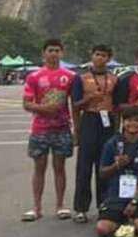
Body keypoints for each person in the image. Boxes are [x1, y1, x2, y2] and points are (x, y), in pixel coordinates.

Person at [21, 39, 76, 222]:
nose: (53, 54)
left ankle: (60, 205)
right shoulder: (34, 77)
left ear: (62, 53)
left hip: (62, 128)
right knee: (39, 168)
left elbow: (75, 104)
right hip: (40, 129)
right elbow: (26, 103)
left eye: (57, 50)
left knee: (60, 168)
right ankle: (36, 207)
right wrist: (44, 109)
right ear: (44, 53)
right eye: (50, 50)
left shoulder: (70, 77)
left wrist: (77, 129)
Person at [70, 44, 117, 223]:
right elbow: (75, 105)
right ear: (92, 55)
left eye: (104, 55)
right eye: (97, 54)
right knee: (84, 166)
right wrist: (76, 131)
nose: (100, 58)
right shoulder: (80, 78)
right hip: (89, 120)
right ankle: (81, 208)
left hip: (108, 122)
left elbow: (118, 107)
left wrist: (118, 131)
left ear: (109, 58)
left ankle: (104, 205)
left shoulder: (114, 79)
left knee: (104, 165)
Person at [95, 107, 138, 237]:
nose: (133, 124)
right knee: (102, 229)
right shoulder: (111, 143)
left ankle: (135, 216)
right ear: (123, 122)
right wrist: (116, 165)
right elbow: (102, 173)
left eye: (137, 120)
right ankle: (121, 219)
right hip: (116, 194)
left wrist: (134, 201)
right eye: (128, 120)